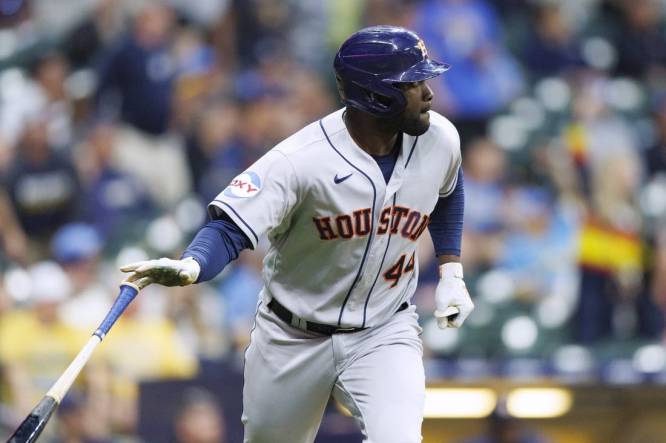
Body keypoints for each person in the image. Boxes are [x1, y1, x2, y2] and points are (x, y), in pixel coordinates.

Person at [121, 26, 474, 443]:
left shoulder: (440, 138)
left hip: (384, 329)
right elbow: (229, 226)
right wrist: (192, 264)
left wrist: (451, 269)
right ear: (377, 97)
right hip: (292, 337)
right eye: (413, 84)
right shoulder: (300, 160)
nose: (429, 94)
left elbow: (448, 190)